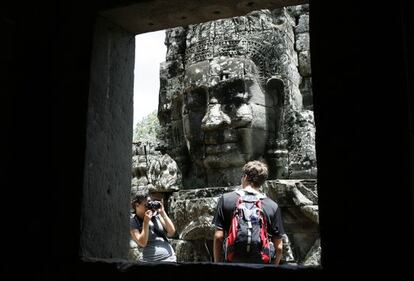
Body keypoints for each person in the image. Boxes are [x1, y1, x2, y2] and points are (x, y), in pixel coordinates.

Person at [212, 160, 285, 265]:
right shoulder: (272, 206)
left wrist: (217, 264)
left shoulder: (226, 199)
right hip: (260, 264)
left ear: (245, 177)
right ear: (262, 182)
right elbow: (279, 247)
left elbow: (218, 237)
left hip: (232, 262)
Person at [130, 192, 177, 262]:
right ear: (137, 205)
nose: (149, 206)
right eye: (146, 205)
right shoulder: (133, 222)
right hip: (150, 262)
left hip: (170, 259)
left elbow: (171, 232)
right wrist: (145, 222)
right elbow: (142, 243)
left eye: (150, 203)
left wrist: (162, 212)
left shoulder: (156, 216)